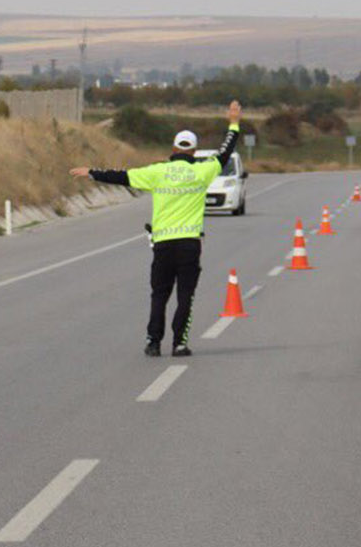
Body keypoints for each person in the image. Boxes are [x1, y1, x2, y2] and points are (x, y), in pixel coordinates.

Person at [71, 100, 242, 358]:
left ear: (173, 148)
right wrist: (234, 123)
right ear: (194, 152)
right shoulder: (203, 172)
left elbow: (123, 176)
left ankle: (153, 342)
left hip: (163, 245)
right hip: (189, 245)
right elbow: (225, 153)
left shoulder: (157, 172)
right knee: (186, 295)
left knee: (159, 295)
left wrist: (92, 172)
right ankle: (179, 343)